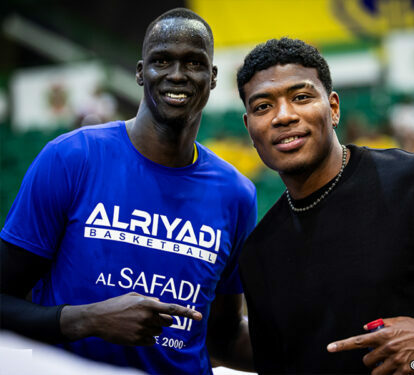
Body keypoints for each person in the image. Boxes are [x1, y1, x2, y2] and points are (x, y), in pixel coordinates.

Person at [0, 8, 256, 375]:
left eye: (194, 63)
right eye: (162, 60)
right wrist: (85, 319)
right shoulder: (73, 157)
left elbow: (224, 336)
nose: (178, 75)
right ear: (140, 72)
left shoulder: (236, 194)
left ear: (212, 77)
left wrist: (327, 349)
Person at [236, 37, 414, 374]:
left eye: (301, 97)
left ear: (333, 108)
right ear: (249, 128)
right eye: (263, 107)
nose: (284, 116)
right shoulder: (260, 254)